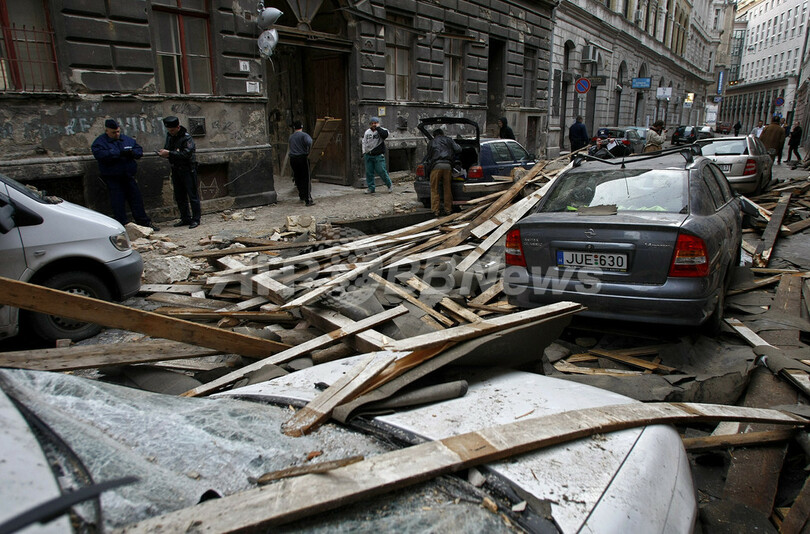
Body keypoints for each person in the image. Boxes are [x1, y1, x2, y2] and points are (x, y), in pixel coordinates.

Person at [91, 119, 158, 230]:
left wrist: (132, 153)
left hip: (128, 176)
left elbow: (139, 150)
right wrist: (118, 153)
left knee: (136, 200)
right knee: (118, 203)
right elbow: (100, 155)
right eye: (113, 132)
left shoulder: (126, 139)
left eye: (118, 131)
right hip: (113, 178)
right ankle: (122, 226)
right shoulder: (100, 142)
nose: (116, 134)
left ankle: (144, 223)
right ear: (107, 131)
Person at [159, 116, 201, 228]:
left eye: (172, 130)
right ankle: (185, 218)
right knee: (179, 196)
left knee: (192, 195)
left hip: (187, 169)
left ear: (178, 127)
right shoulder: (170, 136)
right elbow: (168, 148)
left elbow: (186, 154)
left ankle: (196, 219)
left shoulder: (186, 138)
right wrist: (164, 153)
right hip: (176, 168)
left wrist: (170, 153)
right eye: (169, 130)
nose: (170, 132)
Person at [423, 128, 462, 217]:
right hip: (448, 166)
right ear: (442, 133)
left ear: (434, 135)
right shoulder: (449, 140)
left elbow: (429, 156)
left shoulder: (432, 142)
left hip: (436, 166)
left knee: (434, 189)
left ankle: (435, 210)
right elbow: (458, 149)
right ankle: (448, 209)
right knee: (447, 188)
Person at [361, 117, 394, 194]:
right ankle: (371, 188)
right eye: (372, 123)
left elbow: (384, 135)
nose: (373, 125)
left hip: (378, 155)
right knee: (369, 172)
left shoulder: (382, 130)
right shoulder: (367, 132)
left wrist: (378, 128)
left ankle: (389, 184)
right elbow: (364, 142)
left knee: (381, 171)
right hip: (368, 154)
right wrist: (364, 152)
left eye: (375, 123)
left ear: (378, 123)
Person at [289, 120, 314, 206]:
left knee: (298, 177)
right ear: (302, 127)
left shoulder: (291, 137)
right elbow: (310, 143)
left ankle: (302, 195)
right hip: (302, 158)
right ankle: (308, 199)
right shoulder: (304, 135)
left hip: (293, 159)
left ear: (294, 128)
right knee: (306, 178)